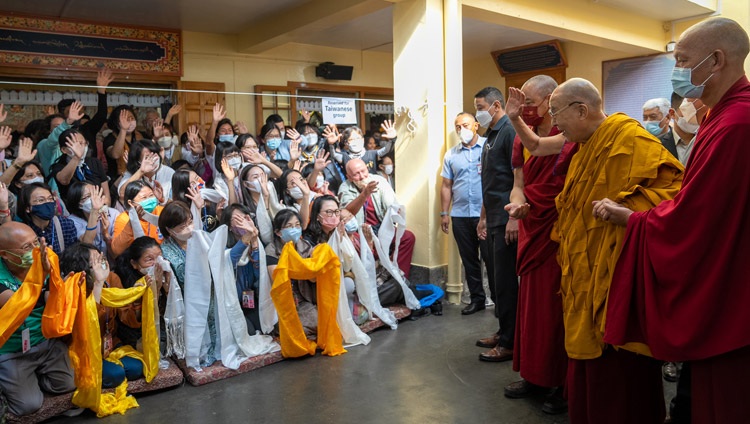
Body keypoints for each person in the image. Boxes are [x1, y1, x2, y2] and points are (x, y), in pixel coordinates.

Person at [597, 17, 750, 424]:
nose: (676, 72)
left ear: (716, 60)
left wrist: (635, 220)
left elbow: (694, 218)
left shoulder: (736, 124)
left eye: (682, 61)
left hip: (732, 292)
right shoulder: (723, 115)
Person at [546, 77, 684, 424]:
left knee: (622, 381)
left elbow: (677, 198)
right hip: (584, 273)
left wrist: (630, 213)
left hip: (616, 273)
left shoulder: (630, 138)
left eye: (555, 112)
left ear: (582, 109)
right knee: (588, 372)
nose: (553, 123)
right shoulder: (582, 149)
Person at [501, 76, 578, 414]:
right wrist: (515, 210)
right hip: (533, 226)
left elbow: (539, 147)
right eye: (521, 104)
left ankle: (561, 382)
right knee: (531, 306)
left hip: (561, 230)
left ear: (550, 99)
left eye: (529, 103)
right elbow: (519, 183)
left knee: (556, 310)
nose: (525, 109)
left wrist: (514, 117)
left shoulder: (569, 132)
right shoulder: (522, 136)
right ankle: (534, 375)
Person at [0, 222, 76, 416]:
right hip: (13, 348)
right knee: (28, 406)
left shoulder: (45, 261)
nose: (35, 250)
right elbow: (18, 304)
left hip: (44, 340)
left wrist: (63, 289)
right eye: (27, 247)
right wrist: (41, 274)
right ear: (4, 254)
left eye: (36, 242)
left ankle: (35, 377)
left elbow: (50, 301)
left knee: (68, 385)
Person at [59, 242, 144, 388]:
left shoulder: (111, 279)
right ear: (82, 268)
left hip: (109, 345)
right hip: (82, 350)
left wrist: (135, 297)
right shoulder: (71, 287)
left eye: (102, 259)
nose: (103, 264)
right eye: (97, 262)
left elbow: (128, 317)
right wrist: (98, 284)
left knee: (137, 367)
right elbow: (85, 325)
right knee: (115, 374)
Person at [473, 87, 517, 363]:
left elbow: (517, 178)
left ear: (495, 105)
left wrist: (513, 216)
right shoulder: (492, 135)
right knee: (497, 281)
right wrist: (483, 217)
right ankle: (504, 332)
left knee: (506, 283)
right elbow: (489, 181)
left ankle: (511, 343)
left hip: (506, 219)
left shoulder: (509, 132)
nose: (478, 112)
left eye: (479, 106)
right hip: (493, 217)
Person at [440, 112, 491, 315]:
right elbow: (446, 185)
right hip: (460, 214)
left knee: (491, 258)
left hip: (486, 215)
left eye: (466, 125)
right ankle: (477, 299)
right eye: (458, 126)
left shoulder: (489, 147)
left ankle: (497, 298)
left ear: (476, 126)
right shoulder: (451, 154)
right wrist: (444, 213)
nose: (462, 130)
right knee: (469, 259)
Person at [338, 158, 415, 279]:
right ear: (349, 177)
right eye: (356, 174)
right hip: (360, 232)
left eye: (363, 171)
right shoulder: (345, 187)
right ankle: (370, 279)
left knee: (407, 238)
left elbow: (390, 202)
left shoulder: (379, 181)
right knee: (355, 248)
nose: (362, 176)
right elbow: (347, 213)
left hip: (381, 228)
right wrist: (364, 194)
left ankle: (398, 276)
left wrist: (395, 211)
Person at [49, 127, 110, 205]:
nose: (80, 148)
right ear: (64, 149)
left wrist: (105, 209)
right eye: (75, 145)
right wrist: (76, 157)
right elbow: (64, 180)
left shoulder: (95, 162)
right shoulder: (59, 167)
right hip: (75, 213)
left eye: (82, 143)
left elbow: (106, 194)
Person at [16, 183, 78, 255]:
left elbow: (73, 257)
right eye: (41, 200)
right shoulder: (22, 232)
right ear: (27, 208)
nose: (48, 203)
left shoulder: (66, 224)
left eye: (50, 199)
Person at [111, 181, 164, 257]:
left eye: (151, 195)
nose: (149, 200)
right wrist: (133, 221)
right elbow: (116, 250)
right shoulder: (124, 218)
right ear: (131, 203)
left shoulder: (161, 211)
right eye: (144, 198)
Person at [66, 182, 117, 257]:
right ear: (79, 204)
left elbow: (117, 253)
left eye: (95, 194)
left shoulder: (113, 214)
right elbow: (86, 243)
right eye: (88, 196)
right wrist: (94, 210)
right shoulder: (72, 221)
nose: (94, 198)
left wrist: (106, 235)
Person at [117, 139, 174, 205]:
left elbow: (176, 202)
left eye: (155, 155)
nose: (153, 159)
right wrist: (141, 171)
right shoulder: (131, 173)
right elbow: (122, 194)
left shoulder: (169, 172)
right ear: (138, 162)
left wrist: (162, 200)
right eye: (147, 157)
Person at [667, 93, 707, 166]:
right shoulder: (659, 145)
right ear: (672, 113)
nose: (696, 118)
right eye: (690, 113)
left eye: (700, 112)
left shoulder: (707, 140)